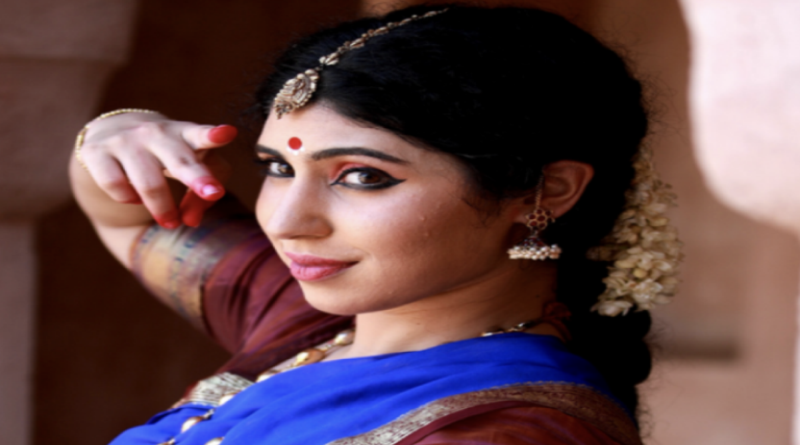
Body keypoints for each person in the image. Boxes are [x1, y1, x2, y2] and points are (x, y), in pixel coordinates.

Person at [69, 4, 681, 445]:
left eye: (362, 176)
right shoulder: (308, 326)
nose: (287, 222)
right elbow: (129, 212)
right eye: (278, 167)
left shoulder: (510, 431)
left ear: (544, 191)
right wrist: (117, 133)